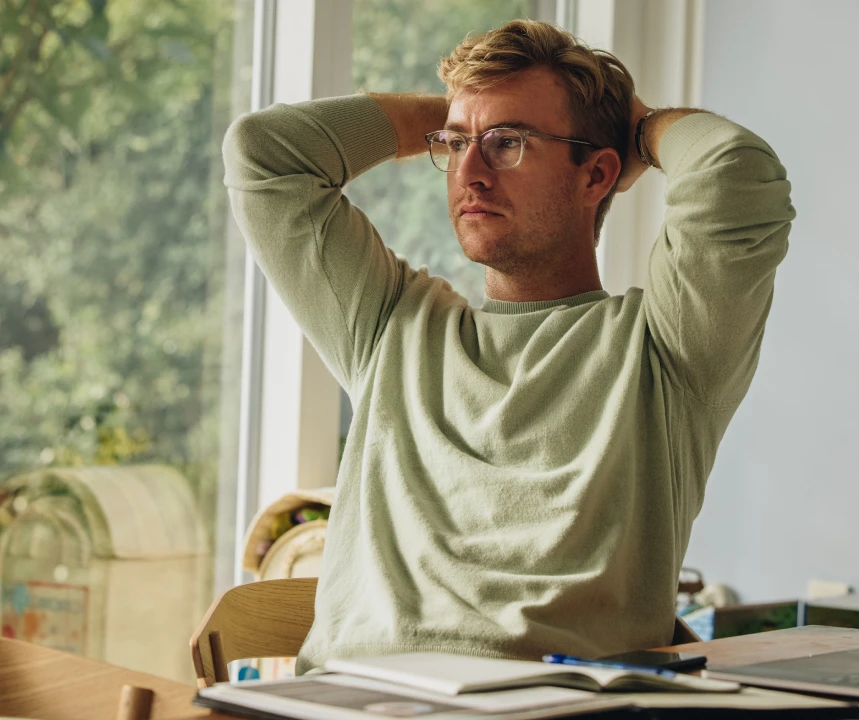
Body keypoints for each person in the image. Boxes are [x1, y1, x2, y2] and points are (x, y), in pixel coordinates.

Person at [222, 19, 794, 672]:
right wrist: (456, 116)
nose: (469, 171)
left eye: (507, 143)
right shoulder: (390, 327)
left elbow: (735, 174)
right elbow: (262, 152)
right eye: (456, 144)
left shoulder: (665, 352)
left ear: (596, 174)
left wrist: (636, 127)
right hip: (341, 705)